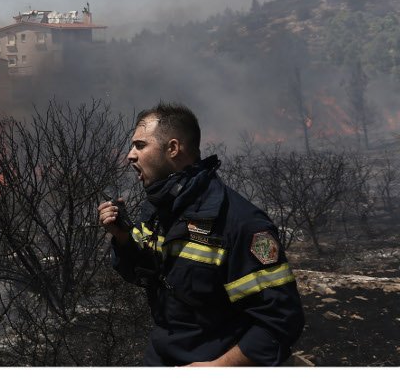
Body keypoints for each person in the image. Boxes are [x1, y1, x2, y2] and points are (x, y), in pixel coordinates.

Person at [98, 102, 304, 366]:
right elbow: (144, 273)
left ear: (173, 148)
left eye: (140, 145)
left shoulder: (241, 224)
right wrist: (123, 239)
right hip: (161, 358)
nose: (130, 155)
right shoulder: (159, 211)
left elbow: (281, 320)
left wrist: (219, 368)